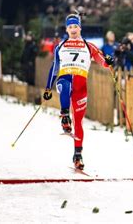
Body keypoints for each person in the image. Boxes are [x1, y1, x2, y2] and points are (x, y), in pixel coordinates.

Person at [42, 13, 113, 170]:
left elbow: (102, 61)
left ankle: (78, 155)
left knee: (79, 123)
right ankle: (65, 116)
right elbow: (54, 68)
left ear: (80, 28)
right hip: (65, 78)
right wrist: (48, 87)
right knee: (65, 86)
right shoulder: (60, 46)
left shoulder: (89, 46)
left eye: (75, 26)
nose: (73, 29)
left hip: (81, 87)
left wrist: (108, 61)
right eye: (70, 27)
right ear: (66, 29)